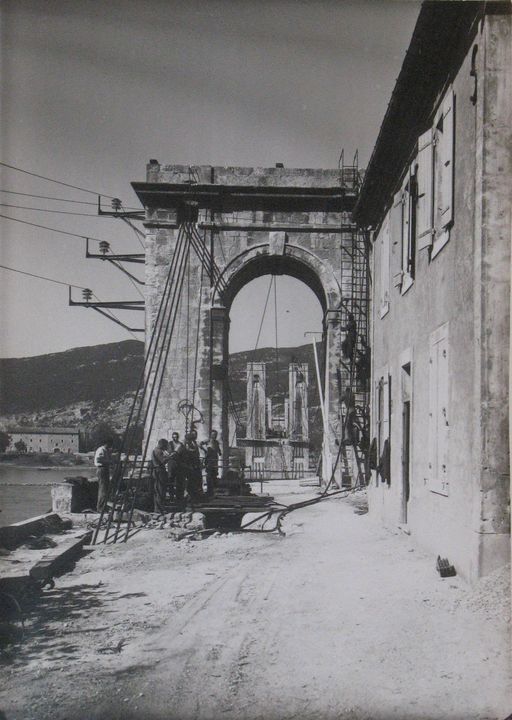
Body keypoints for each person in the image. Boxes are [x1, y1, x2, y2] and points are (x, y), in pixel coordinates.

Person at [94, 437, 114, 512]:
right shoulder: (101, 450)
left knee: (105, 489)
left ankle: (103, 507)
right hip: (101, 469)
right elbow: (99, 459)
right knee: (103, 489)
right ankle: (100, 508)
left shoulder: (106, 450)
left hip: (105, 469)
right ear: (107, 443)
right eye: (110, 444)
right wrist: (109, 462)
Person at [184, 428, 203, 504]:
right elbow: (190, 452)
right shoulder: (187, 445)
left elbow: (196, 452)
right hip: (190, 466)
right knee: (190, 482)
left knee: (197, 481)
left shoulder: (194, 443)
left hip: (195, 465)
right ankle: (190, 497)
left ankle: (195, 496)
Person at [200, 430, 222, 497]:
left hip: (215, 460)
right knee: (209, 475)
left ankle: (212, 491)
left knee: (214, 475)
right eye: (213, 434)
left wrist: (219, 452)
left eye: (215, 435)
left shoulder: (216, 442)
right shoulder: (208, 440)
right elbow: (200, 444)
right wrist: (205, 450)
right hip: (209, 460)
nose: (214, 436)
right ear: (211, 435)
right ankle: (209, 490)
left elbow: (218, 449)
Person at [151, 438, 170, 514]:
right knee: (160, 490)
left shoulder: (156, 450)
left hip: (158, 470)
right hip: (159, 471)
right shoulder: (158, 451)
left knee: (159, 490)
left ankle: (158, 508)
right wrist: (169, 457)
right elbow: (163, 461)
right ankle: (159, 509)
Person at [168, 431, 185, 506]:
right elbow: (169, 452)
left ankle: (179, 497)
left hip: (178, 464)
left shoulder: (181, 444)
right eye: (173, 437)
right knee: (170, 479)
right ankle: (171, 496)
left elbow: (182, 453)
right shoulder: (170, 444)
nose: (175, 438)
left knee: (178, 480)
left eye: (176, 437)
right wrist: (174, 453)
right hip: (171, 464)